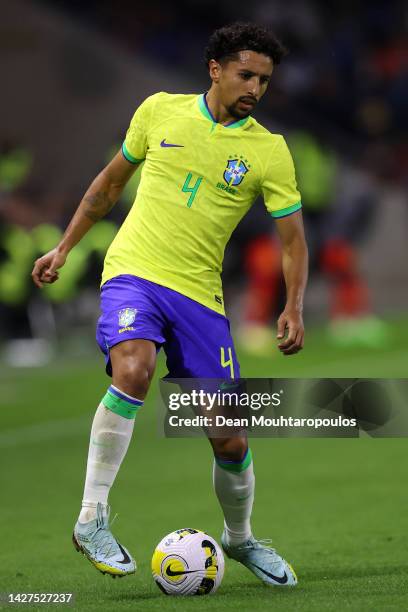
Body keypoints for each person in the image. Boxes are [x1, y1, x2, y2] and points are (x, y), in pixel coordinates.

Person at [32, 22, 308, 587]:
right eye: (245, 74)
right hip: (134, 273)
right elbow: (108, 184)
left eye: (264, 79)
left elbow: (293, 240)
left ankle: (240, 540)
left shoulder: (268, 151)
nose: (256, 86)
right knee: (133, 368)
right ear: (215, 69)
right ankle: (91, 518)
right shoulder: (159, 110)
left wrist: (294, 305)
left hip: (200, 296)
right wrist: (64, 245)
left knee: (229, 436)